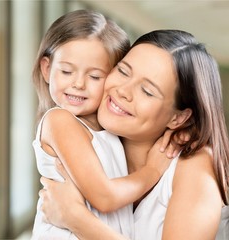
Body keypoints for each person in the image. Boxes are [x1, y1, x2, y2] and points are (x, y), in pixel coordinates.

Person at [39, 29, 229, 239]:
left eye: (147, 91)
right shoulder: (91, 143)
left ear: (178, 118)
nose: (123, 91)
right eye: (123, 72)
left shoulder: (195, 165)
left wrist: (77, 219)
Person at [31, 10, 178, 240]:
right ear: (47, 69)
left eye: (95, 76)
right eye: (67, 71)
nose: (78, 83)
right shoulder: (59, 121)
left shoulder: (109, 130)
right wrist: (152, 171)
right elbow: (105, 198)